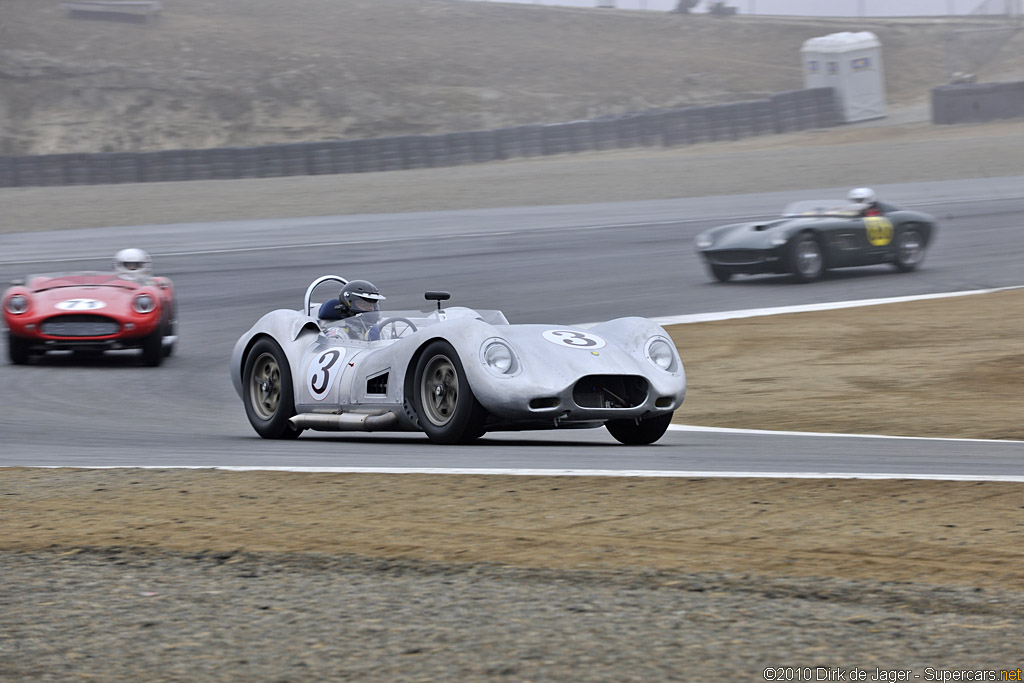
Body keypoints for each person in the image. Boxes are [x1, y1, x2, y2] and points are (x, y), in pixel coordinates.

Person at [318, 279, 386, 340]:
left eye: (372, 305)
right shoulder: (337, 334)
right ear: (347, 305)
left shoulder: (380, 331)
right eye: (363, 305)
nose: (370, 309)